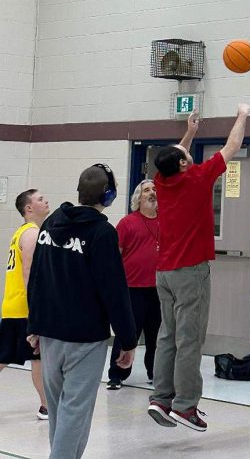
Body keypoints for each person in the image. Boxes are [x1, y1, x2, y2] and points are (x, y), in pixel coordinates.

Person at [147, 104, 250, 432]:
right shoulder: (198, 178)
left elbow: (175, 156)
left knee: (168, 336)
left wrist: (191, 132)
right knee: (190, 339)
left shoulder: (161, 181)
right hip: (191, 272)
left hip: (163, 272)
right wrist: (242, 115)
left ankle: (161, 398)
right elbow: (232, 146)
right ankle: (185, 406)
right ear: (183, 163)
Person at [26, 164, 137, 459]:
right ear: (110, 194)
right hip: (84, 339)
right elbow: (114, 291)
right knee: (75, 411)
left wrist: (33, 324)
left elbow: (37, 277)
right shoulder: (101, 233)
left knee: (61, 412)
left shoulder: (51, 223)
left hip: (49, 334)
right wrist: (128, 340)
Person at [106, 179, 161, 390]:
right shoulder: (127, 223)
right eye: (147, 190)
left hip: (159, 288)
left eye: (155, 189)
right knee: (127, 333)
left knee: (157, 336)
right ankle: (117, 374)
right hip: (132, 288)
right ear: (138, 198)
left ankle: (155, 373)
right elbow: (115, 256)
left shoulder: (165, 221)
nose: (152, 193)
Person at [0, 189, 50, 420]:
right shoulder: (31, 233)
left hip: (13, 306)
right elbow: (30, 272)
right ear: (28, 208)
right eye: (40, 199)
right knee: (37, 357)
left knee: (9, 356)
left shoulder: (20, 232)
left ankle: (45, 404)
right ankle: (46, 405)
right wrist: (37, 308)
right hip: (24, 308)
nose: (45, 201)